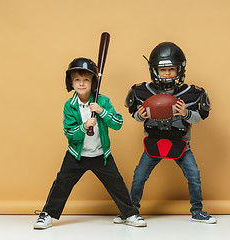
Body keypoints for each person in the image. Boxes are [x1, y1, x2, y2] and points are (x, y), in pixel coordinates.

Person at [34, 57, 146, 229]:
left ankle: (129, 214)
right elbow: (69, 133)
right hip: (76, 154)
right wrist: (84, 126)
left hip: (101, 154)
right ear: (71, 83)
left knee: (116, 183)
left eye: (86, 79)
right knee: (62, 183)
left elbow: (118, 123)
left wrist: (101, 112)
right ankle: (47, 214)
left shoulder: (102, 101)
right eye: (77, 79)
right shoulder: (69, 106)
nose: (81, 83)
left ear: (93, 82)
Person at [115, 42, 216, 224]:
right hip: (153, 141)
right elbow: (136, 117)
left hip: (181, 144)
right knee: (139, 176)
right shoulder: (142, 91)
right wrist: (141, 114)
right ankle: (131, 210)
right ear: (154, 71)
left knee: (194, 175)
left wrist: (185, 112)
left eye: (171, 69)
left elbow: (198, 118)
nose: (167, 73)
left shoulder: (192, 94)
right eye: (163, 70)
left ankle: (197, 211)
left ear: (180, 69)